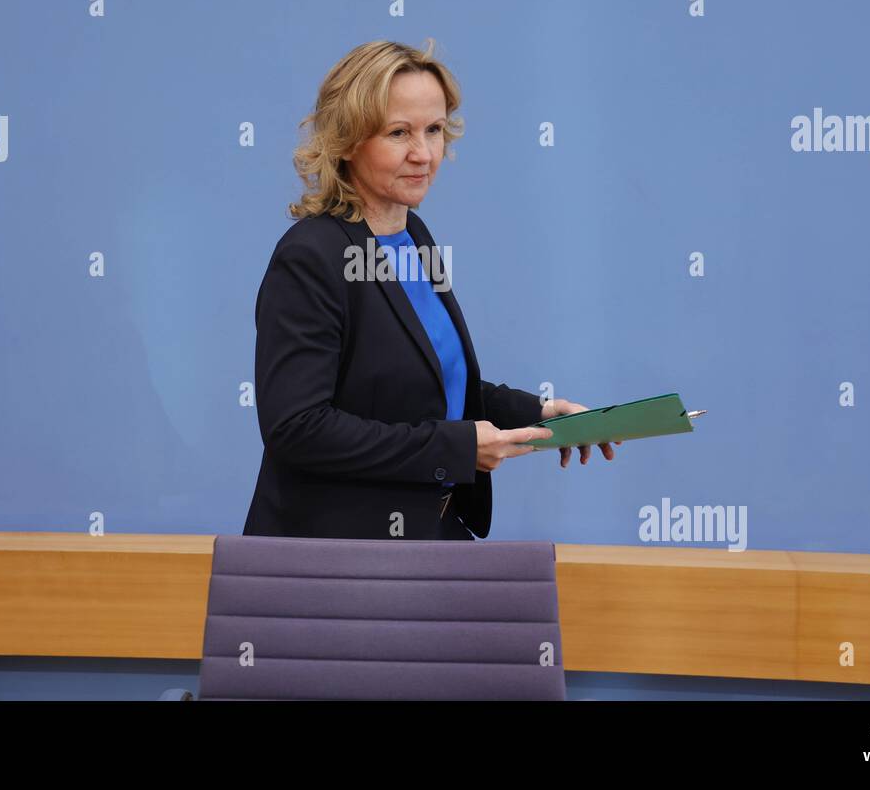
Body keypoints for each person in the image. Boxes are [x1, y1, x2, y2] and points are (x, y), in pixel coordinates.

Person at [242, 39, 617, 540]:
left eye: (435, 130)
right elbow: (298, 428)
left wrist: (542, 415)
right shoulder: (311, 257)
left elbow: (428, 388)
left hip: (429, 533)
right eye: (399, 133)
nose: (424, 153)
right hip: (337, 560)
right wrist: (457, 450)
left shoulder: (413, 237)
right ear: (349, 141)